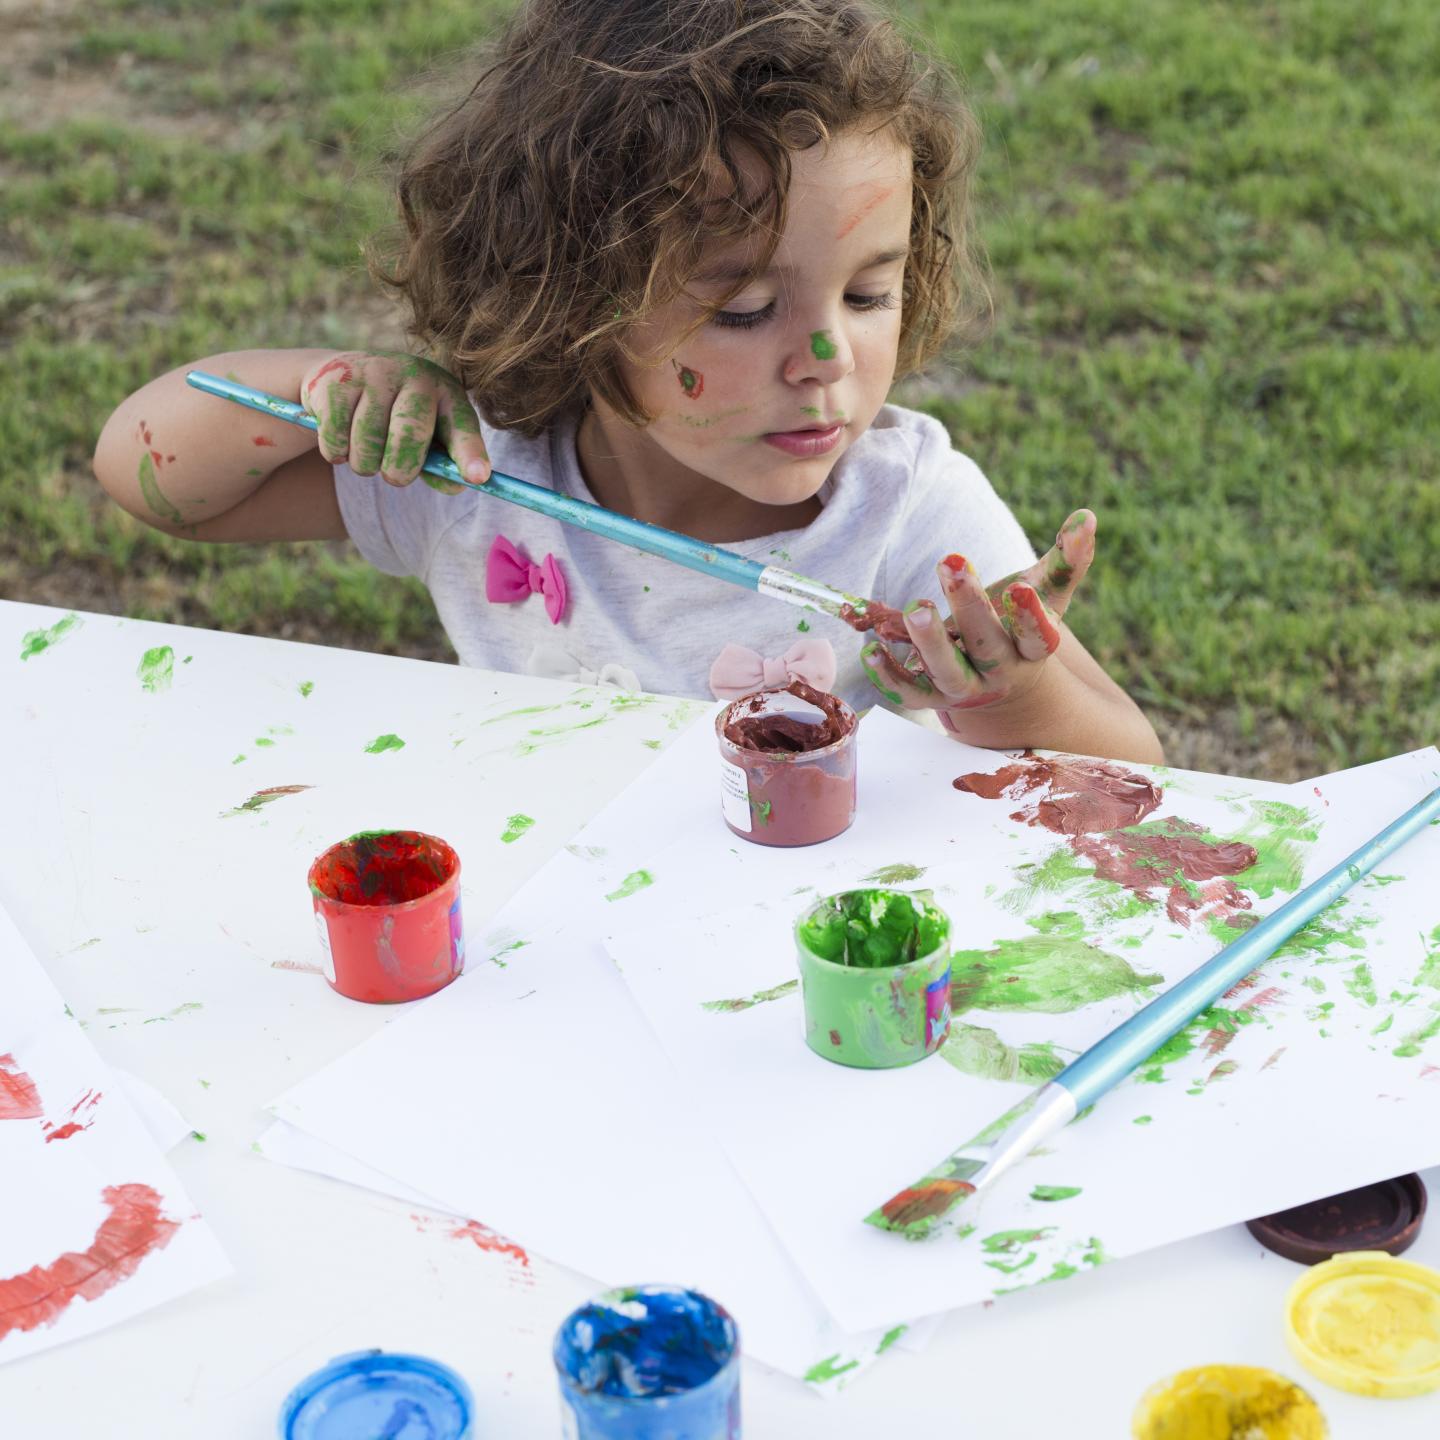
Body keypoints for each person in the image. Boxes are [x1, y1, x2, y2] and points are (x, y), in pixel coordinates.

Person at [93, 0, 1162, 763]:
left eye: (868, 297)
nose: (826, 359)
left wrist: (1009, 691)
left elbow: (1139, 764)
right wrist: (327, 385)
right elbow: (157, 482)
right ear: (569, 299)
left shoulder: (912, 512)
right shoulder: (480, 478)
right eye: (744, 310)